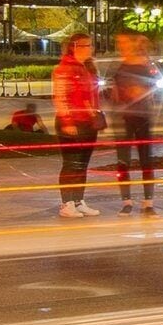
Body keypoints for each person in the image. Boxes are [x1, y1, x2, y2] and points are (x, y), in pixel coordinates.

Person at [106, 32, 162, 215]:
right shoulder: (117, 65)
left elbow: (155, 85)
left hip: (142, 116)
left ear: (132, 43)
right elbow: (110, 89)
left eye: (123, 42)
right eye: (118, 42)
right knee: (123, 160)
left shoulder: (146, 63)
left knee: (146, 159)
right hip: (122, 118)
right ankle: (126, 201)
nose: (120, 46)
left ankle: (148, 202)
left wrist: (141, 91)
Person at [50, 33, 103, 219]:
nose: (91, 48)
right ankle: (67, 203)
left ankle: (79, 201)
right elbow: (60, 97)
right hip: (72, 122)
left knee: (82, 164)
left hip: (88, 122)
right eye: (86, 45)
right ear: (75, 47)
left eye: (90, 45)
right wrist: (67, 121)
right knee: (71, 164)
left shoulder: (88, 68)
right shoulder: (63, 69)